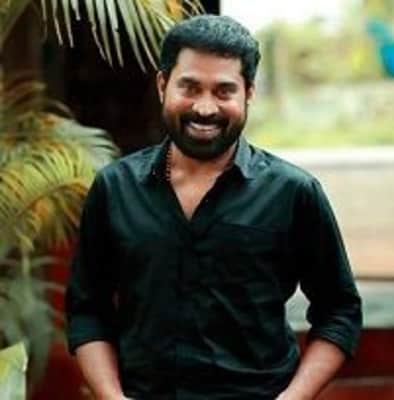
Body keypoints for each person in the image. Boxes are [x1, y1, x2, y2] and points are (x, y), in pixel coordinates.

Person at [66, 15, 362, 400]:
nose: (205, 108)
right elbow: (87, 310)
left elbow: (339, 312)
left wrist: (293, 398)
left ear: (248, 93)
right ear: (162, 85)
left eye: (224, 91)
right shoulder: (115, 188)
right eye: (190, 88)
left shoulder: (293, 193)